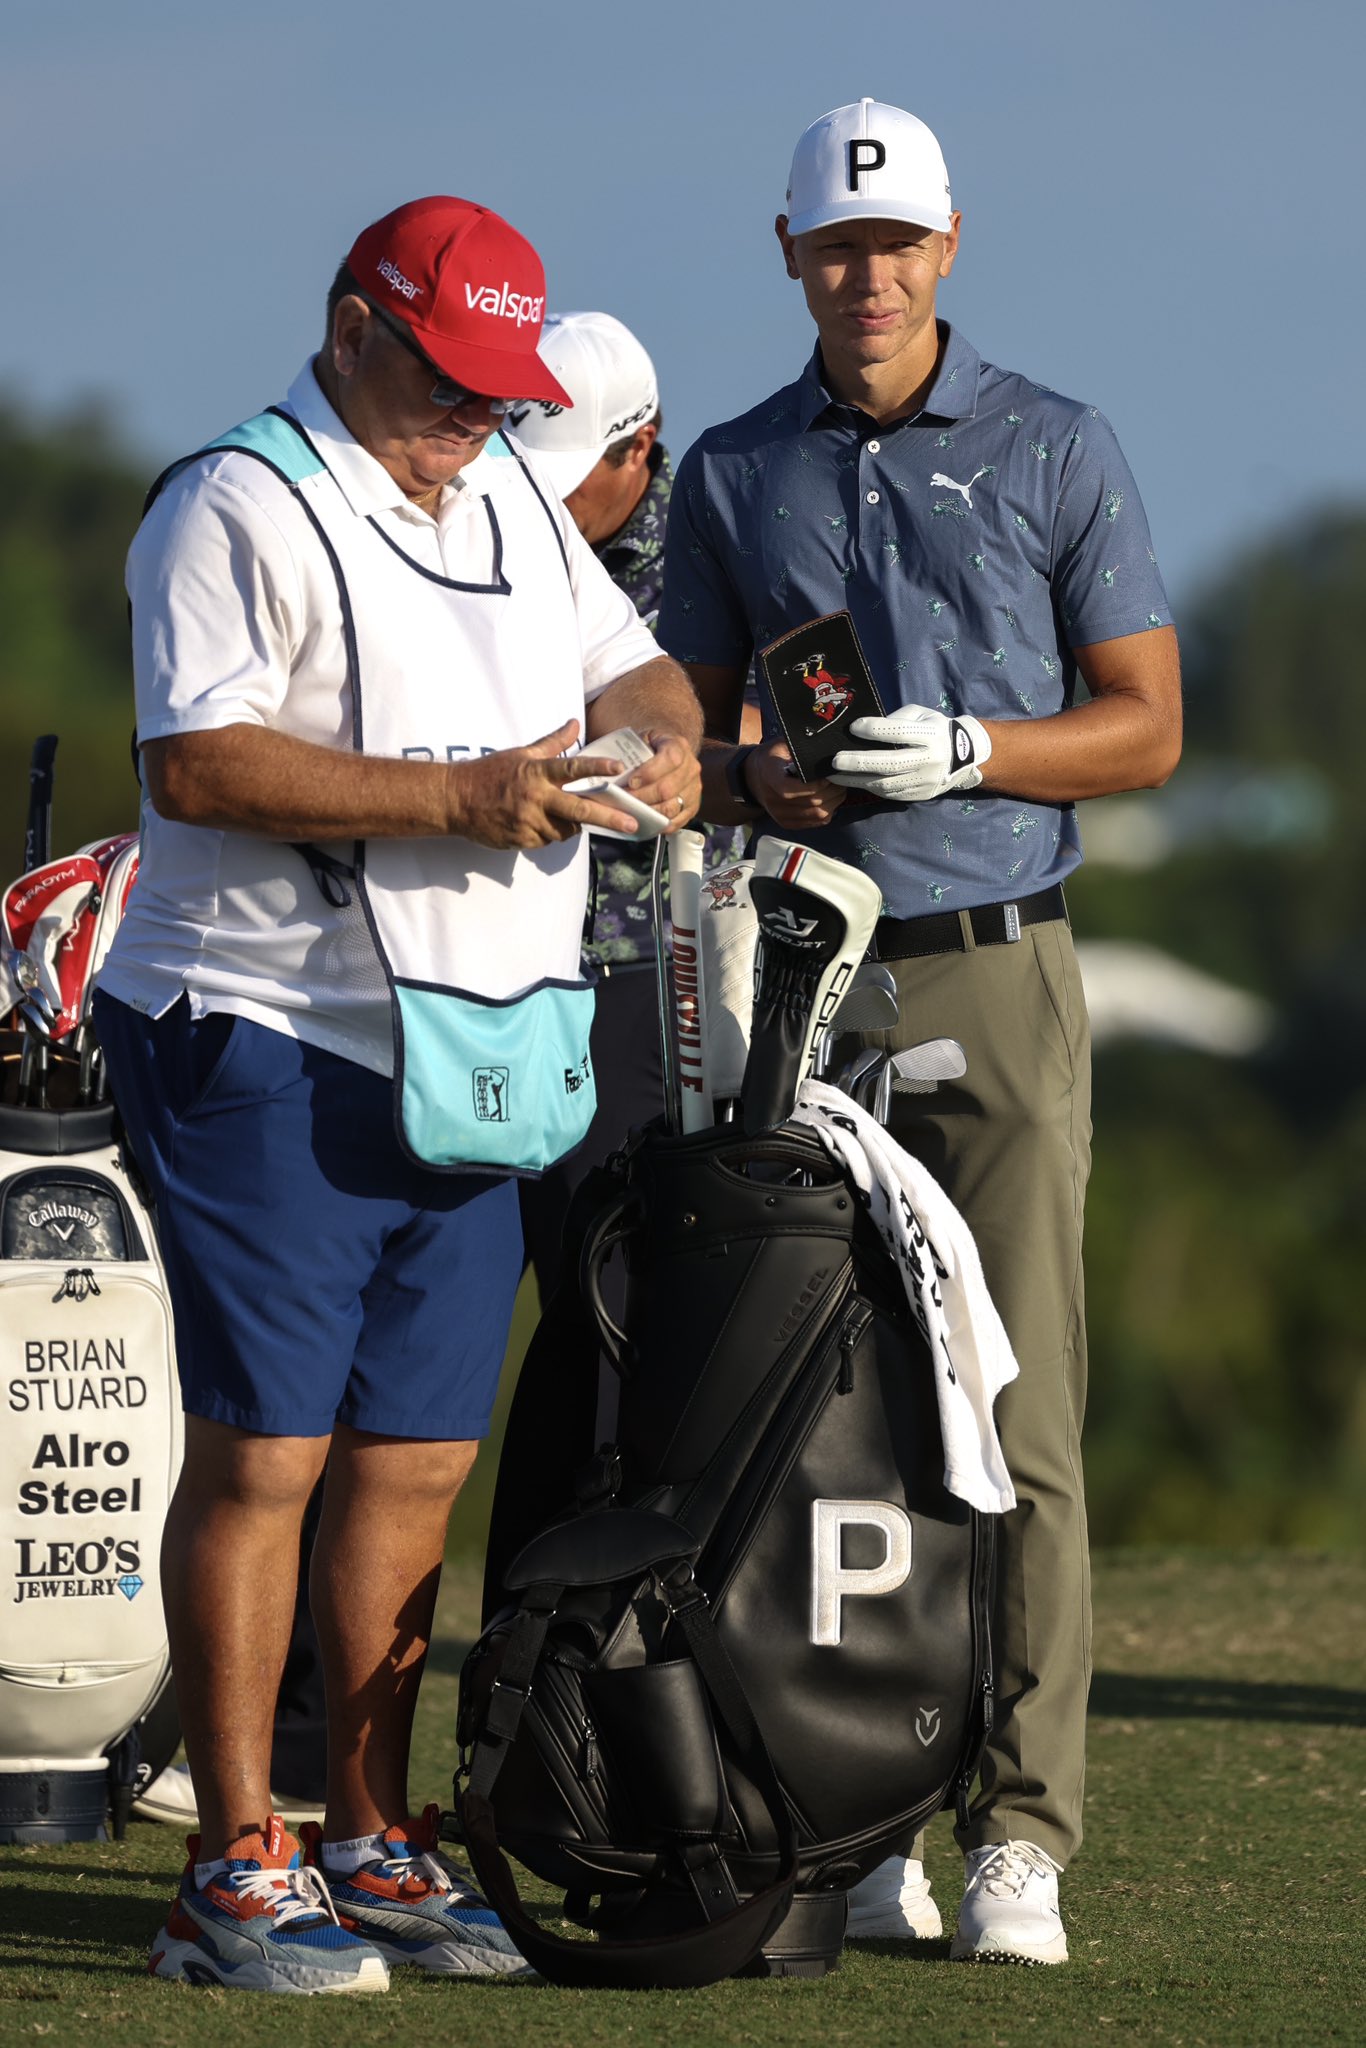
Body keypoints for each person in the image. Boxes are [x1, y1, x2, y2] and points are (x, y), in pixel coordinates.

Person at [93, 194, 702, 1996]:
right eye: (443, 376)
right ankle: (233, 1856)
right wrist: (470, 798)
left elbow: (631, 663)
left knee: (418, 1460)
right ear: (353, 323)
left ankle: (370, 1831)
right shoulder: (235, 497)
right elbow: (195, 760)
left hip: (474, 1037)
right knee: (270, 1445)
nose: (470, 416)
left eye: (495, 386)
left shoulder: (512, 479)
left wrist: (659, 744)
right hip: (262, 1027)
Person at [658, 99, 1181, 1966]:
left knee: (1012, 1402)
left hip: (995, 961)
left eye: (894, 245)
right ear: (787, 255)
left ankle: (1022, 1822)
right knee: (825, 1416)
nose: (864, 276)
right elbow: (692, 737)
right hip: (809, 971)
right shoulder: (728, 471)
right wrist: (761, 775)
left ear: (948, 244)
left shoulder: (1056, 443)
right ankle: (856, 1813)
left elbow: (1143, 726)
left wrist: (979, 748)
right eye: (831, 247)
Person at [508, 311, 755, 1304]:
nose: (533, 504)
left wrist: (690, 750)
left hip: (638, 968)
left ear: (636, 449)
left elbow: (794, 714)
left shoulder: (716, 551)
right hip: (480, 963)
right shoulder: (484, 527)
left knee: (603, 1305)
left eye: (558, 483)